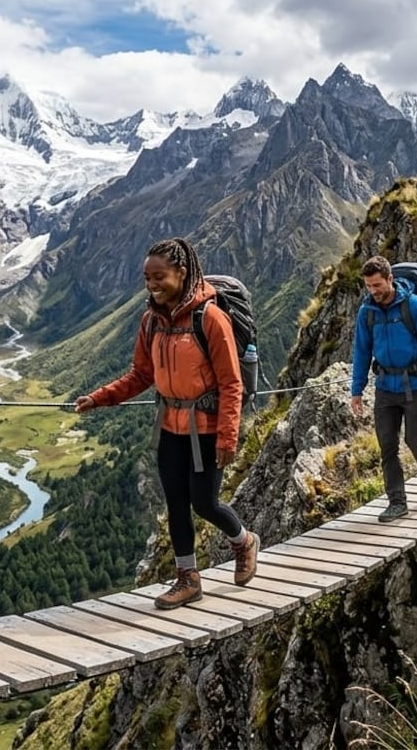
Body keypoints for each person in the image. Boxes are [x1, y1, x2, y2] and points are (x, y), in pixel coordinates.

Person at [74, 237, 259, 609]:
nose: (152, 284)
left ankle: (244, 541)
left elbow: (231, 382)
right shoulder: (150, 322)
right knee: (176, 504)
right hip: (170, 429)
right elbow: (141, 375)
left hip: (205, 430)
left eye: (159, 276)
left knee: (205, 504)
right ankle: (188, 579)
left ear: (182, 273)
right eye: (146, 277)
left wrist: (227, 437)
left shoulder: (211, 318)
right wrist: (100, 397)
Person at [350, 255, 417, 521]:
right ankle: (397, 502)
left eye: (377, 285)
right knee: (387, 447)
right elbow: (361, 352)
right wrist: (356, 391)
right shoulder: (366, 312)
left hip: (415, 387)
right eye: (369, 286)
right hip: (384, 388)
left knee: (416, 441)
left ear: (390, 279)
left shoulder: (414, 306)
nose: (373, 291)